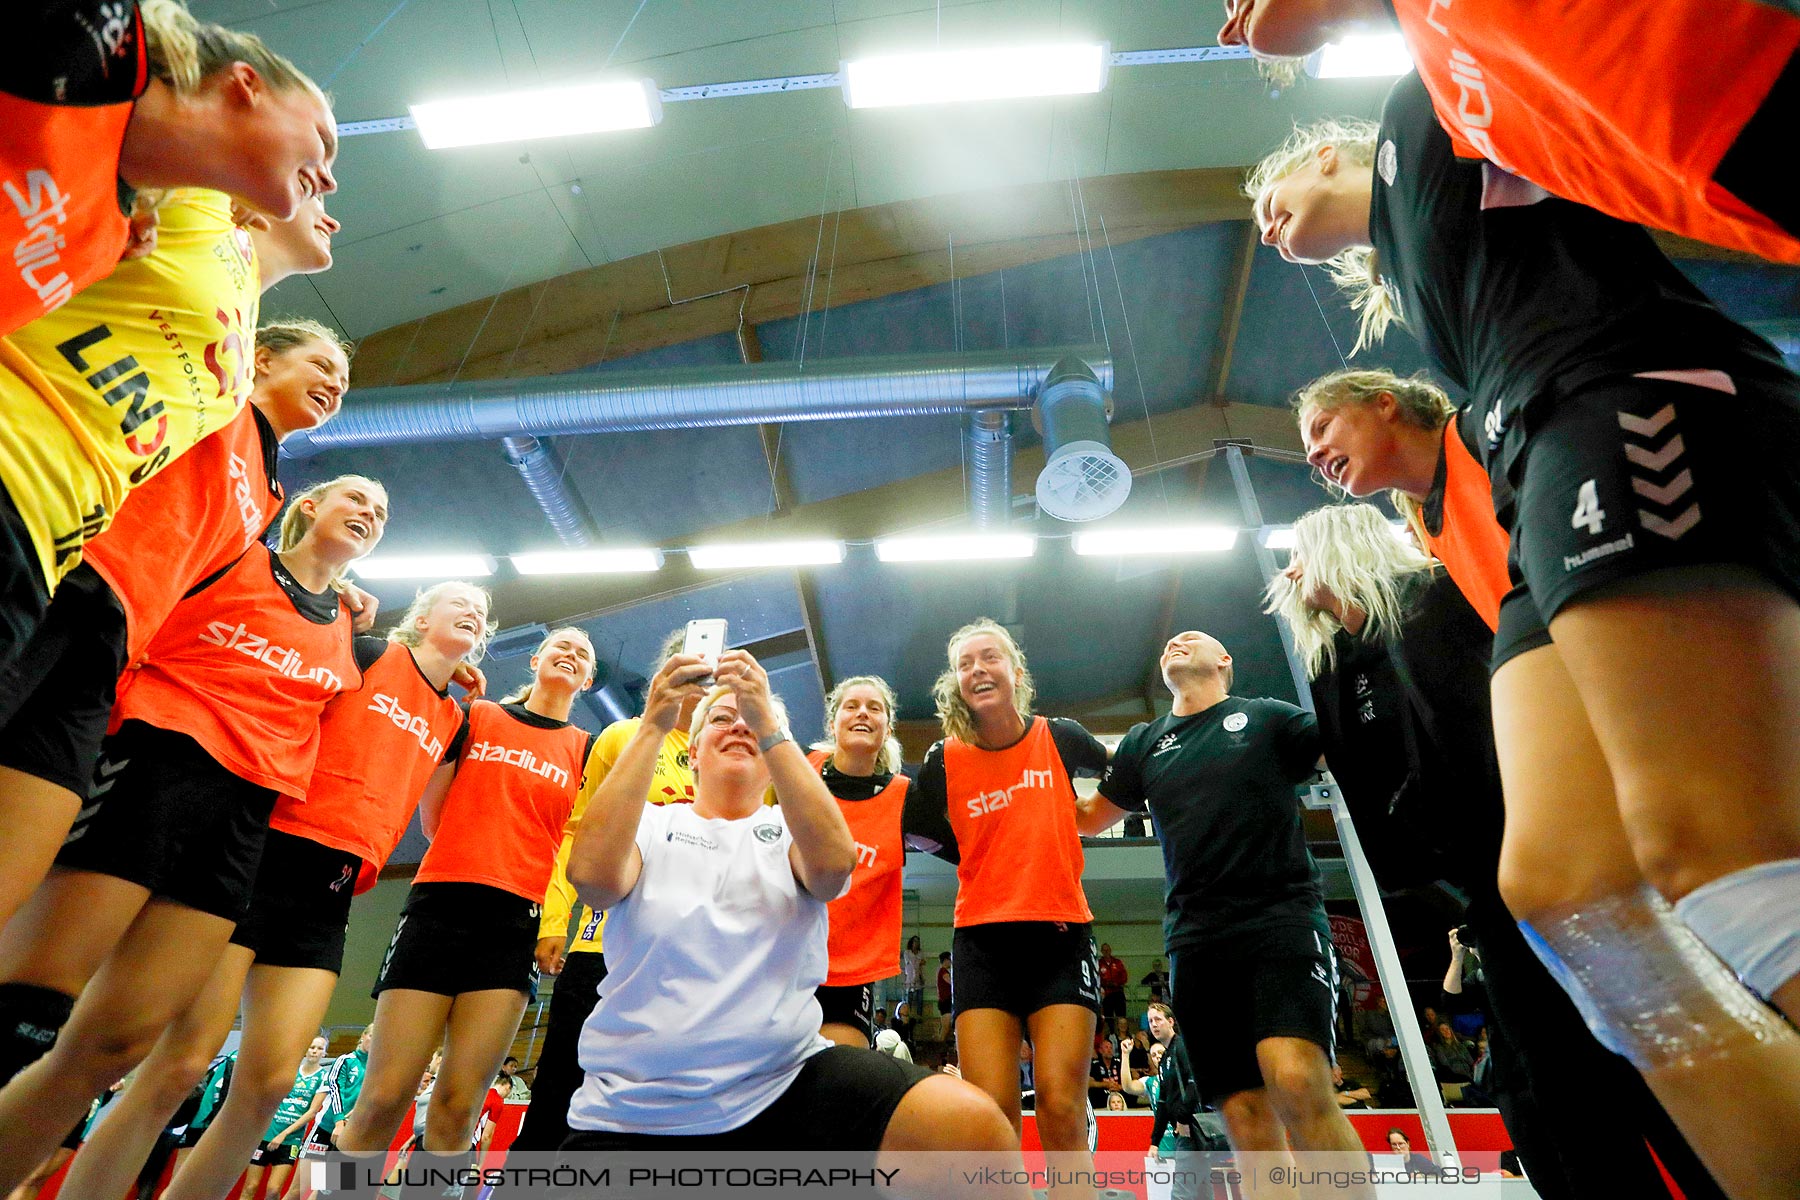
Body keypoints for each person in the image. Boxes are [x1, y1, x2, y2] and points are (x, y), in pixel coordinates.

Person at [1253, 72, 1800, 1193]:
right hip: (1547, 461)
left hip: (1622, 392)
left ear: (1323, 154)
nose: (1265, 226)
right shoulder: (1421, 285)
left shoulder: (1434, 116)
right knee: (1564, 887)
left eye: (1272, 191)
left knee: (1709, 850)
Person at [0, 474, 381, 1196]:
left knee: (115, 1045)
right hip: (154, 767)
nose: (369, 513)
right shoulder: (232, 555)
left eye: (381, 513)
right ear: (307, 507)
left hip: (242, 820)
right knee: (29, 1007)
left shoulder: (345, 626)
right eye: (356, 499)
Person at [54, 581, 488, 1200]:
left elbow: (438, 814)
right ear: (420, 617)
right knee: (179, 1064)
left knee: (267, 1086)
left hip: (329, 895)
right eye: (459, 602)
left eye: (483, 613)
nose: (475, 612)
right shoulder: (362, 655)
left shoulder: (453, 718)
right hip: (262, 857)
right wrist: (336, 605)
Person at [0, 200, 350, 938]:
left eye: (343, 380)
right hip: (64, 579)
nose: (335, 383)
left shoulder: (269, 488)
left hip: (113, 640)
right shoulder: (214, 393)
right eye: (321, 363)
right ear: (258, 358)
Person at [556, 651, 1028, 1198]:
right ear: (692, 754)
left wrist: (770, 721)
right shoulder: (650, 826)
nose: (738, 725)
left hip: (784, 1083)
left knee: (973, 1129)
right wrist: (657, 721)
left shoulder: (790, 831)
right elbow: (591, 878)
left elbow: (832, 868)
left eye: (750, 719)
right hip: (637, 1110)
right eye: (719, 719)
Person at [1092, 631, 1373, 1198]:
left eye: (1194, 638)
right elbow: (1083, 816)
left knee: (1295, 1082)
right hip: (1196, 941)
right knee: (1244, 1114)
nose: (1176, 639)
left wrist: (1347, 643)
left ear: (1226, 661)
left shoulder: (1265, 718)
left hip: (1281, 921)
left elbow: (1348, 742)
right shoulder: (1145, 742)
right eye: (1169, 640)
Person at [1215, 0, 1800, 264]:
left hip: (1764, 57)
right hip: (1748, 202)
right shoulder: (1448, 108)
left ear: (1323, 160)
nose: (1226, 25)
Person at [332, 627, 596, 1191]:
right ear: (535, 658)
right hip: (441, 905)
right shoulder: (476, 717)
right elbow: (434, 818)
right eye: (561, 645)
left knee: (457, 1107)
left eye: (583, 653)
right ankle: (339, 1188)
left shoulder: (585, 748)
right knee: (381, 1097)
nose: (571, 653)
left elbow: (579, 842)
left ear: (589, 679)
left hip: (513, 924)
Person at [903, 618, 1111, 1199]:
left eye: (988, 657)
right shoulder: (946, 758)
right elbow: (917, 831)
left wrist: (1083, 823)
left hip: (1061, 935)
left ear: (1015, 671)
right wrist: (973, 855)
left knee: (1060, 1102)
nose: (977, 670)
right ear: (957, 683)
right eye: (965, 663)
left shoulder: (1061, 737)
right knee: (991, 1113)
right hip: (982, 941)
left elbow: (1125, 778)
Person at [0, 0, 338, 338]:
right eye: (323, 142)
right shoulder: (94, 30)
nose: (329, 182)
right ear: (248, 82)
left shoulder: (105, 243)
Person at [508, 629, 697, 1156]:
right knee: (555, 1104)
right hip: (599, 951)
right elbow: (577, 835)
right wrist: (553, 921)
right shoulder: (623, 737)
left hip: (682, 964)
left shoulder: (734, 755)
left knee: (652, 1122)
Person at [809, 675, 909, 1048]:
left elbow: (970, 848)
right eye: (851, 706)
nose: (862, 713)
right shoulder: (799, 768)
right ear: (833, 723)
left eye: (874, 708)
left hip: (848, 972)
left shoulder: (904, 798)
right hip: (781, 957)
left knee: (840, 1079)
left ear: (887, 727)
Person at [284, 1028, 372, 1200]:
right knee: (297, 1191)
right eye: (371, 1035)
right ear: (363, 1036)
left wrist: (349, 1120)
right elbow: (336, 1090)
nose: (374, 1040)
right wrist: (339, 1122)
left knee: (322, 1192)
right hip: (325, 1130)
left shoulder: (375, 1068)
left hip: (348, 1135)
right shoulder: (345, 1060)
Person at [243, 1036, 328, 1200]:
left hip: (290, 1140)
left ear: (324, 1053)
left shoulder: (323, 1077)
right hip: (265, 1135)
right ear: (305, 1049)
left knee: (273, 1190)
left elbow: (312, 1112)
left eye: (319, 1048)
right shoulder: (290, 1070)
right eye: (311, 1047)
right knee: (250, 1187)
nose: (314, 1051)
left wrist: (283, 1134)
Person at [1096, 944, 1128, 1023]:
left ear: (1110, 950)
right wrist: (1105, 984)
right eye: (1104, 950)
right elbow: (1096, 977)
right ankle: (1112, 1033)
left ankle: (1123, 1033)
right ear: (1102, 951)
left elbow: (1124, 976)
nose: (1106, 951)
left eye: (1108, 950)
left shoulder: (1117, 962)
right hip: (1106, 993)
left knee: (1121, 1014)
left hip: (1118, 992)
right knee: (1108, 1015)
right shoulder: (1099, 963)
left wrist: (1117, 983)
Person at [901, 935, 926, 1018]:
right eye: (915, 941)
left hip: (919, 977)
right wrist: (918, 961)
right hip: (910, 978)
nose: (916, 943)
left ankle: (919, 1016)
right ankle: (908, 1015)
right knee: (909, 998)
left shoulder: (920, 953)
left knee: (920, 999)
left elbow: (923, 963)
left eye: (918, 942)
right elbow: (911, 963)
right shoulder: (907, 953)